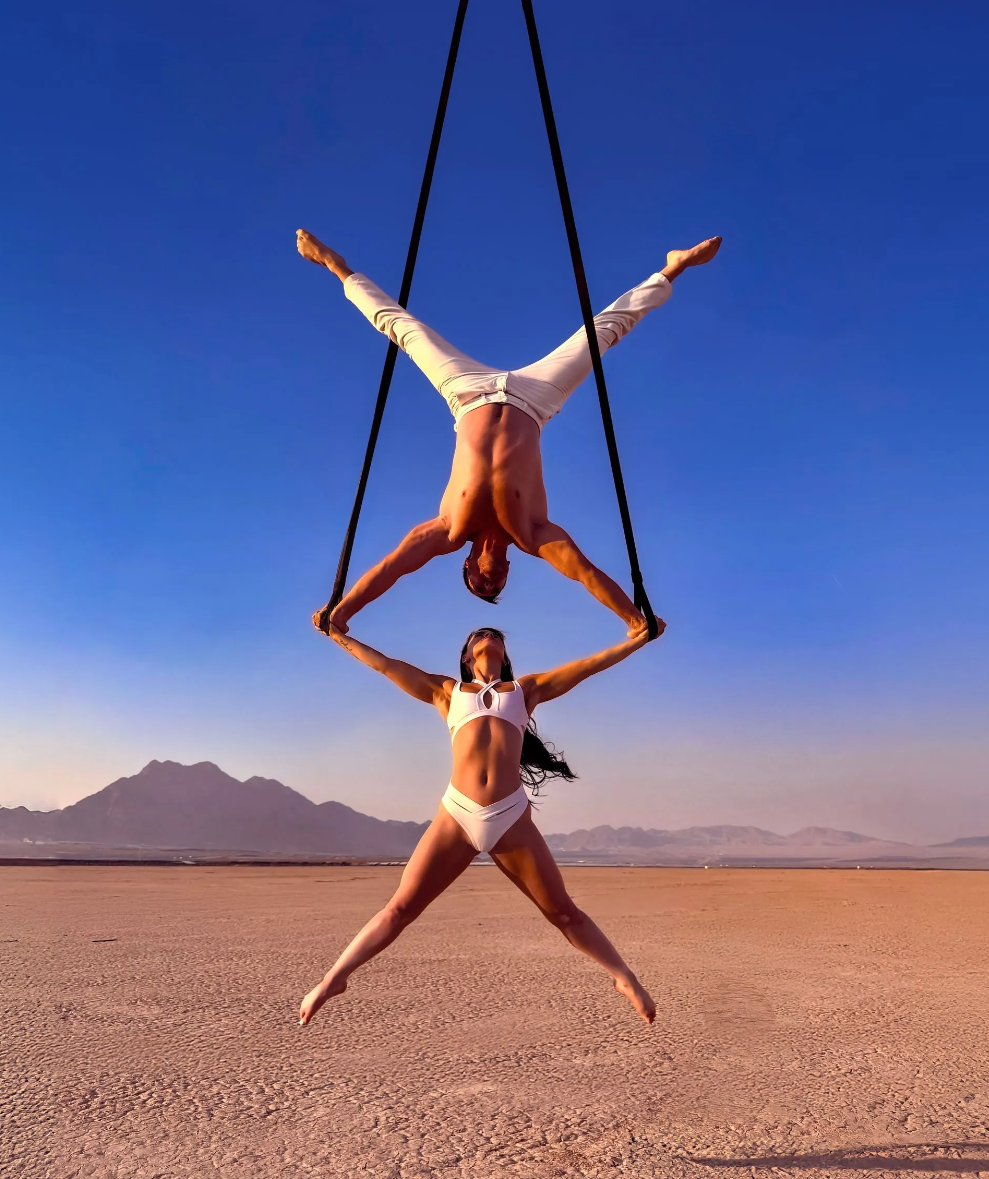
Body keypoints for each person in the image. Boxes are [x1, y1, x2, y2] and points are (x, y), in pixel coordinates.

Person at [297, 229, 720, 635]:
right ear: (508, 572)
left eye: (480, 586)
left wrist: (343, 609)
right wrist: (633, 618)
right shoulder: (533, 533)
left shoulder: (448, 529)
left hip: (466, 394)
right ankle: (673, 268)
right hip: (535, 402)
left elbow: (392, 568)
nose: (490, 582)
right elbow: (585, 574)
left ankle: (335, 266)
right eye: (496, 587)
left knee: (405, 330)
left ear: (466, 567)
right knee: (602, 334)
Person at [299, 623, 657, 1026]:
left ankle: (623, 977)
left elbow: (591, 665)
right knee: (399, 908)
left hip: (510, 815)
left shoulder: (525, 690)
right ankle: (334, 978)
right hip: (457, 813)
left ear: (504, 654)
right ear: (467, 656)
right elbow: (384, 665)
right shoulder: (446, 691)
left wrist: (640, 639)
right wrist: (338, 635)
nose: (489, 635)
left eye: (496, 634)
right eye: (479, 635)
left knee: (563, 913)